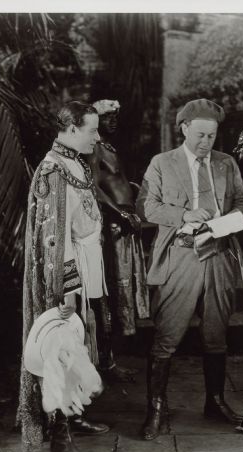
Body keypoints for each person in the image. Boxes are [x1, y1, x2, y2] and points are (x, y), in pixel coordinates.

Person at [136, 98, 243, 441]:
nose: (206, 142)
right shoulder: (162, 163)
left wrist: (225, 222)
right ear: (184, 128)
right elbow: (146, 207)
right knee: (167, 336)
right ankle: (156, 408)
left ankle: (215, 402)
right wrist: (184, 216)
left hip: (218, 255)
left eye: (212, 136)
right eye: (200, 134)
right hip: (181, 256)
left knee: (216, 335)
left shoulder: (226, 163)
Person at [17, 101, 110, 452]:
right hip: (64, 276)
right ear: (71, 130)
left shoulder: (76, 162)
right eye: (92, 130)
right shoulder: (53, 170)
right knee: (62, 349)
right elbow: (55, 240)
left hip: (87, 264)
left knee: (83, 343)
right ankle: (60, 436)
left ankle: (75, 414)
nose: (98, 137)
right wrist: (68, 288)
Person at [86, 99, 150, 383]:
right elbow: (94, 188)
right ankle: (106, 362)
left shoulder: (110, 148)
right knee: (110, 292)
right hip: (112, 228)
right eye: (108, 116)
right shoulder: (94, 148)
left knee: (121, 292)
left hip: (124, 225)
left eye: (117, 115)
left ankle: (110, 360)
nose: (114, 120)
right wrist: (120, 214)